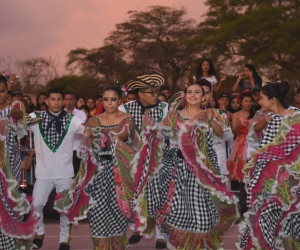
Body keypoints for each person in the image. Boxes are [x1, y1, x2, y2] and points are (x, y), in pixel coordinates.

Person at [133, 82, 239, 249]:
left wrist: (211, 119)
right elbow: (159, 132)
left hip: (201, 173)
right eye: (190, 92)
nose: (193, 95)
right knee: (176, 216)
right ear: (185, 96)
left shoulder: (210, 114)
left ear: (204, 97)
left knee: (203, 219)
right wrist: (148, 122)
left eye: (197, 92)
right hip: (177, 171)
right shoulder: (175, 115)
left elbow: (221, 134)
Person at [55, 86, 138, 250]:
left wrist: (114, 136)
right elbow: (87, 135)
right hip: (97, 173)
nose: (109, 103)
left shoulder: (127, 118)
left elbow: (126, 133)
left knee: (118, 212)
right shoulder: (95, 119)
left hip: (119, 171)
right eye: (106, 99)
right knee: (98, 212)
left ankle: (116, 245)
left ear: (119, 100)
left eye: (113, 99)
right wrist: (87, 137)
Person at [237, 81, 300, 249]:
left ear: (273, 99)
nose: (259, 101)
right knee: (262, 214)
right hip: (264, 174)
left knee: (287, 217)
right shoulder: (262, 115)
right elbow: (253, 138)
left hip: (288, 178)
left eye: (263, 98)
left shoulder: (295, 115)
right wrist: (263, 122)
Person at [28, 88, 85, 250]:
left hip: (65, 173)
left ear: (64, 101)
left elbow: (87, 130)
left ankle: (64, 240)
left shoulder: (72, 119)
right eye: (53, 99)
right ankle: (39, 231)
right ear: (46, 101)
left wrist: (97, 126)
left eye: (60, 99)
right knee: (37, 203)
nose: (56, 102)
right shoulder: (36, 117)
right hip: (43, 173)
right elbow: (19, 125)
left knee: (65, 208)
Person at [118, 73, 169, 248]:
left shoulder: (165, 108)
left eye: (157, 91)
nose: (156, 95)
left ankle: (161, 235)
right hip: (133, 159)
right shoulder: (125, 109)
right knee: (133, 195)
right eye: (151, 91)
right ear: (140, 93)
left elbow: (170, 133)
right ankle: (137, 228)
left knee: (159, 197)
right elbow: (121, 134)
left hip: (159, 159)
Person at [0, 72, 38, 250]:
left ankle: (10, 244)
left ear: (6, 91)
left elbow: (18, 113)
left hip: (10, 166)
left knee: (10, 205)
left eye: (1, 91)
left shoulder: (14, 107)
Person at [226, 90, 254, 214]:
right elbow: (233, 132)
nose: (248, 103)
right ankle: (243, 206)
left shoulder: (256, 113)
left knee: (251, 174)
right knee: (241, 174)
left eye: (250, 101)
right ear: (241, 102)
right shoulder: (236, 114)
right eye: (246, 101)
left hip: (252, 143)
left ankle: (250, 204)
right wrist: (238, 125)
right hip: (240, 143)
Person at [199, 79, 234, 176]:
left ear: (211, 94)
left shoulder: (220, 114)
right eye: (200, 92)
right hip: (195, 163)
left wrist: (211, 120)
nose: (203, 96)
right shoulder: (186, 115)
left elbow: (227, 137)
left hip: (218, 161)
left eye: (206, 93)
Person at [64, 92, 87, 175]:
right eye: (66, 99)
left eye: (71, 99)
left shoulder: (81, 113)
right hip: (64, 149)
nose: (68, 102)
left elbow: (83, 128)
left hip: (77, 148)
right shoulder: (60, 114)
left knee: (76, 173)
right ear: (63, 101)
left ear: (75, 101)